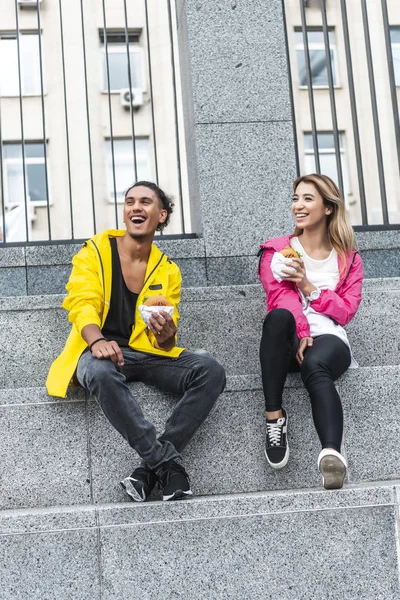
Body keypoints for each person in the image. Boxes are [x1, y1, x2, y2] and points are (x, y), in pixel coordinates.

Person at [46, 181, 226, 502]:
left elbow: (166, 345)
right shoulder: (95, 251)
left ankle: (146, 472)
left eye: (145, 202)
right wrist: (96, 339)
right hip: (99, 353)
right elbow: (81, 302)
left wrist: (167, 335)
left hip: (145, 355)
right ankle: (166, 464)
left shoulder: (168, 270)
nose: (135, 207)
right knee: (98, 372)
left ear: (161, 215)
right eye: (130, 202)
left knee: (210, 370)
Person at [258, 174, 363, 489]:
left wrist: (309, 286)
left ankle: (332, 454)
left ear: (328, 207)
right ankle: (274, 417)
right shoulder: (275, 251)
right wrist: (302, 329)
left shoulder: (348, 258)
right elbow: (280, 297)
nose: (298, 206)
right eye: (295, 198)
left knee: (317, 365)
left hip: (330, 340)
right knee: (277, 318)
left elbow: (346, 311)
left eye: (307, 199)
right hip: (288, 338)